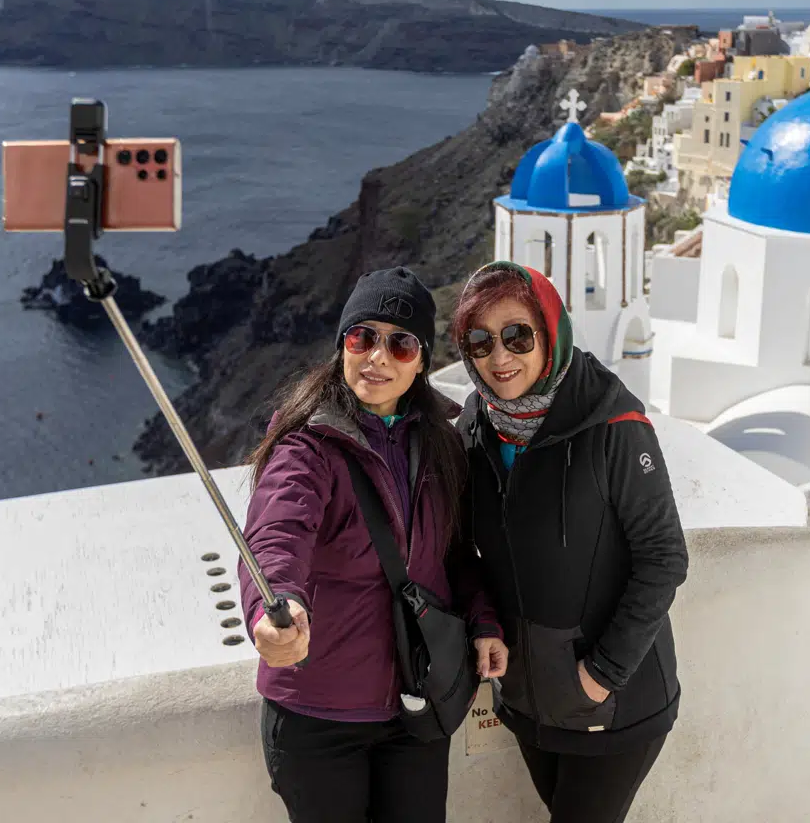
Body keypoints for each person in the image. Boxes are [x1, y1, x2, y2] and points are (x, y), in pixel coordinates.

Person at [238, 266, 509, 823]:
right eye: (362, 338)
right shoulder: (307, 446)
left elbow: (453, 553)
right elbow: (278, 529)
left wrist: (483, 620)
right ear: (342, 344)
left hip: (418, 705)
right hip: (320, 715)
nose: (377, 358)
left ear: (422, 360)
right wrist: (279, 604)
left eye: (401, 344)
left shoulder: (439, 441)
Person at [451, 261, 689, 823]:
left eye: (517, 335)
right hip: (529, 701)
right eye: (481, 343)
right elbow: (464, 548)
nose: (500, 357)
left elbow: (664, 559)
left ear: (550, 331)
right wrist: (485, 625)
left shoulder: (614, 424)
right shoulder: (477, 427)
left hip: (615, 702)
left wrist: (601, 674)